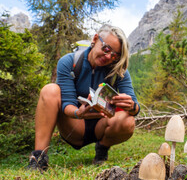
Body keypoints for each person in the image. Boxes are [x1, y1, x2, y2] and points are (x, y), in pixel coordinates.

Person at [28, 24, 139, 171]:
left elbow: (135, 107)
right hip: (74, 125)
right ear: (95, 39)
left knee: (128, 120)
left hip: (102, 126)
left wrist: (131, 106)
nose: (108, 57)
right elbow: (66, 102)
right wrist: (77, 113)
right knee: (50, 90)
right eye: (106, 49)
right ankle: (38, 158)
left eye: (114, 55)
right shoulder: (68, 62)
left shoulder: (119, 71)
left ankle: (102, 148)